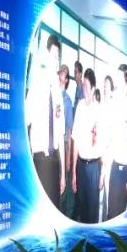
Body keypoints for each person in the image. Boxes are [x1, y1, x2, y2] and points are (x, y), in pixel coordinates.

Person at [25, 33, 65, 208]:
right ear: (46, 56)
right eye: (53, 56)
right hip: (40, 160)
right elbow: (25, 123)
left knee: (55, 209)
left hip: (54, 159)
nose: (56, 61)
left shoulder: (57, 92)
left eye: (58, 57)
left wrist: (63, 174)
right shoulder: (36, 85)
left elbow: (60, 133)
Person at [104, 66, 127, 219]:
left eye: (120, 81)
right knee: (110, 213)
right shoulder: (116, 104)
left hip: (125, 171)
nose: (117, 85)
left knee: (117, 216)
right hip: (114, 165)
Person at [71, 69, 103, 224]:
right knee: (82, 208)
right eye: (82, 85)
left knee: (92, 210)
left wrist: (103, 173)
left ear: (93, 88)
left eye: (86, 85)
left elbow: (103, 143)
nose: (83, 88)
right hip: (81, 165)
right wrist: (74, 172)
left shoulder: (99, 110)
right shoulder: (80, 106)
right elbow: (75, 139)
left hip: (94, 167)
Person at [58, 65, 76, 219]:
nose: (61, 74)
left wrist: (69, 156)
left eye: (64, 72)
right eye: (61, 71)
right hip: (52, 148)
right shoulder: (52, 95)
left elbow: (69, 131)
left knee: (63, 182)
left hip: (63, 146)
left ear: (66, 80)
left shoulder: (67, 101)